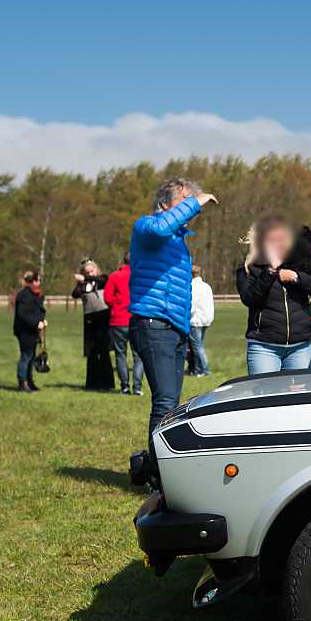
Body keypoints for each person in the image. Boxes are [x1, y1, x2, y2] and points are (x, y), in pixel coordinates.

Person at [127, 177, 218, 435]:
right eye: (184, 201)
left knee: (172, 405)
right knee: (165, 402)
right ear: (165, 203)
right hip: (153, 323)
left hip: (175, 327)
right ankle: (157, 467)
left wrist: (184, 330)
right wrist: (196, 202)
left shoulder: (179, 243)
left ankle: (163, 465)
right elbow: (160, 229)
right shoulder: (146, 227)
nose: (190, 209)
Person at [236, 216, 311, 373]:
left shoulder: (302, 265)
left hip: (300, 347)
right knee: (264, 395)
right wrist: (269, 273)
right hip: (264, 348)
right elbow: (249, 298)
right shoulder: (248, 267)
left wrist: (296, 277)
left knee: (294, 397)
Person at [72, 259, 115, 391]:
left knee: (104, 352)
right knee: (91, 353)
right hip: (90, 321)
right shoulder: (84, 284)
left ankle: (106, 383)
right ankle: (92, 383)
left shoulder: (103, 279)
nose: (90, 273)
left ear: (96, 270)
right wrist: (81, 282)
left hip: (103, 320)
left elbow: (103, 281)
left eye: (92, 271)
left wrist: (86, 277)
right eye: (87, 272)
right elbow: (75, 294)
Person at [13, 270, 47, 392]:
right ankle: (22, 383)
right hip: (24, 331)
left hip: (34, 331)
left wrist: (43, 320)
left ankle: (30, 381)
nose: (39, 283)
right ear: (32, 281)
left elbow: (39, 311)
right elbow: (23, 314)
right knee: (26, 356)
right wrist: (36, 323)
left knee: (32, 357)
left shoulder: (37, 294)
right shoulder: (24, 295)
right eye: (37, 280)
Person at [105, 255, 135, 394]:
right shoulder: (139, 275)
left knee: (120, 354)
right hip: (136, 319)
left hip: (118, 319)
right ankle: (138, 387)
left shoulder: (115, 276)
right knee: (138, 355)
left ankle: (125, 386)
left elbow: (107, 298)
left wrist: (117, 304)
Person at [186, 264, 214, 376]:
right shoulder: (206, 286)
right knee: (198, 345)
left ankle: (205, 369)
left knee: (197, 347)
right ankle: (196, 369)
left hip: (195, 320)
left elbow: (191, 305)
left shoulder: (191, 286)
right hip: (206, 319)